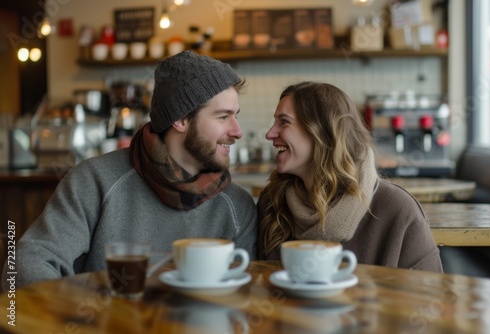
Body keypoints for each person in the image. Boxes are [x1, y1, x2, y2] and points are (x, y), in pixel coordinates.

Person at [4, 51, 258, 289]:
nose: (237, 131)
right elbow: (25, 263)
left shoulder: (237, 206)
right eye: (223, 117)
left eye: (235, 115)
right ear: (180, 119)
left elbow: (245, 293)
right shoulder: (95, 181)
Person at [257, 81, 442, 273]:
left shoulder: (398, 210)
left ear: (322, 132)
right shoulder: (272, 202)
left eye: (284, 122)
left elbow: (430, 297)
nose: (270, 134)